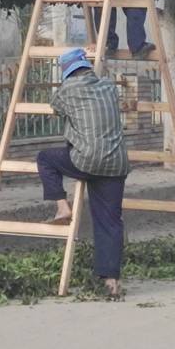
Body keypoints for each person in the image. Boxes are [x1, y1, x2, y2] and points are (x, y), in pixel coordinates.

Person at [36, 48, 130, 297]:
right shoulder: (109, 87)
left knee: (45, 158)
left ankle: (61, 206)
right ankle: (111, 280)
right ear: (87, 66)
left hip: (85, 160)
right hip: (116, 164)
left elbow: (56, 108)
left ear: (67, 72)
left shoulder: (67, 90)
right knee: (110, 222)